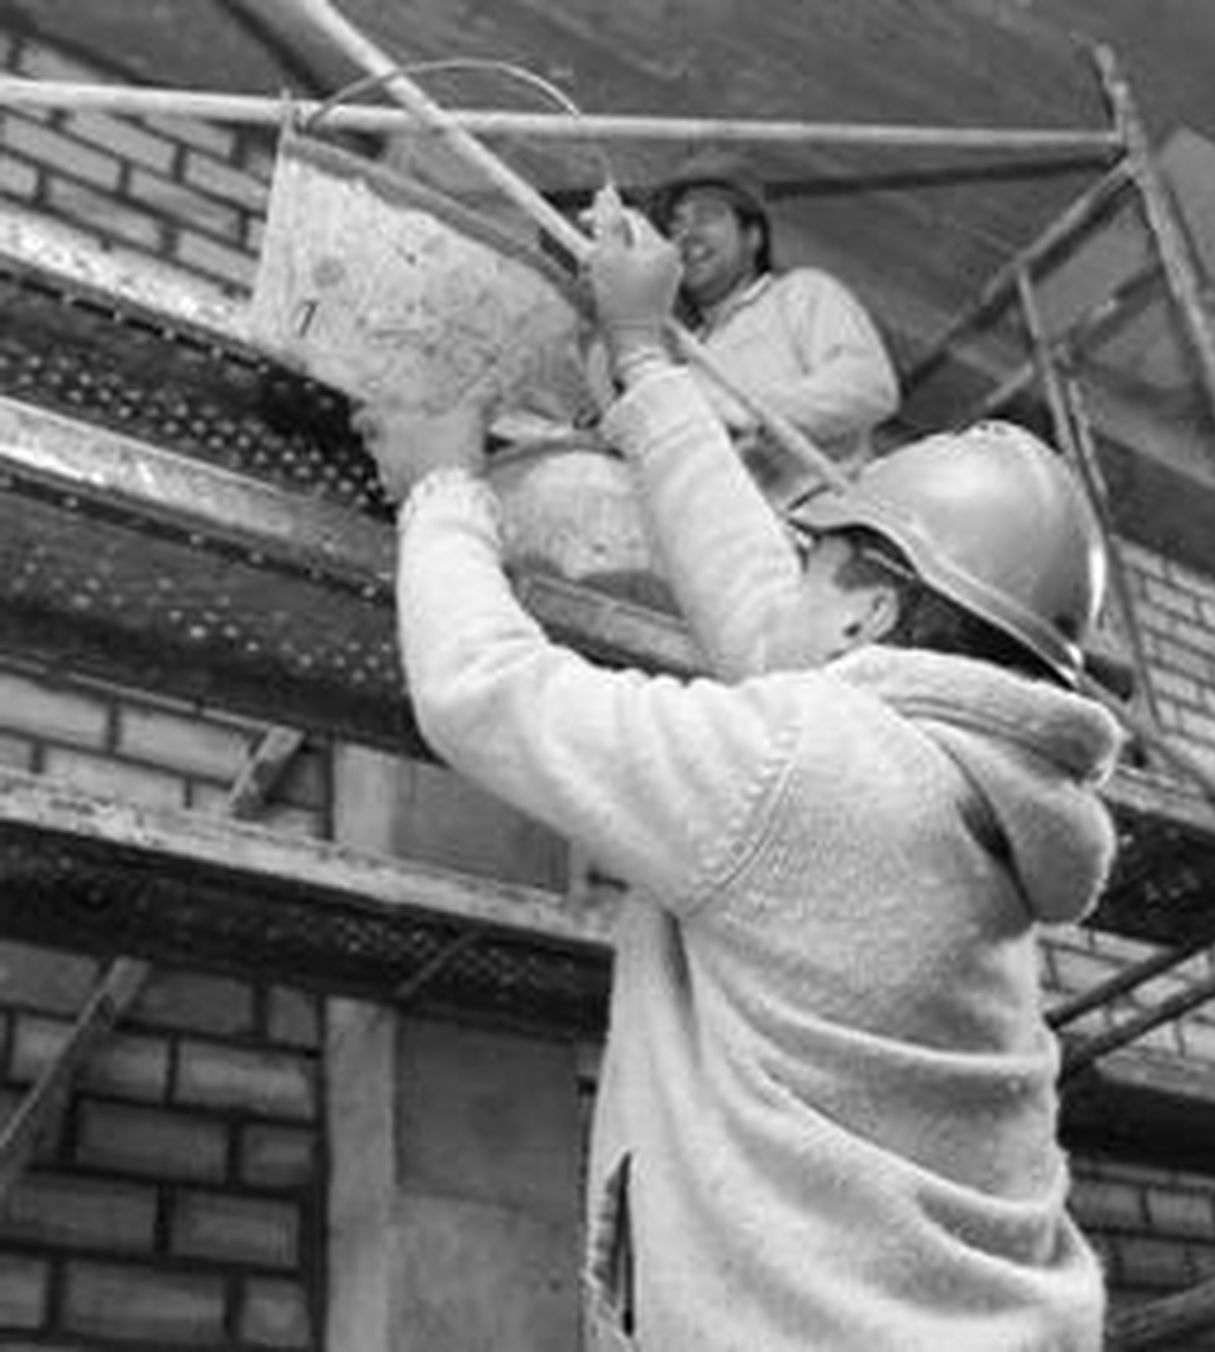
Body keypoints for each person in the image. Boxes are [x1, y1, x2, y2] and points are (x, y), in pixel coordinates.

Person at [360, 189, 1119, 1351]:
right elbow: (768, 626)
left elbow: (487, 693)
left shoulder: (811, 773)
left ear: (870, 609)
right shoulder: (960, 799)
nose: (785, 576)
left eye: (810, 559)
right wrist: (639, 349)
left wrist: (443, 493)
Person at [644, 150, 901, 505]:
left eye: (707, 217)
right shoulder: (686, 353)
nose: (686, 235)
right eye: (676, 224)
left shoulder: (800, 293)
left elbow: (869, 386)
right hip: (732, 539)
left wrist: (749, 411)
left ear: (753, 237)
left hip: (823, 523)